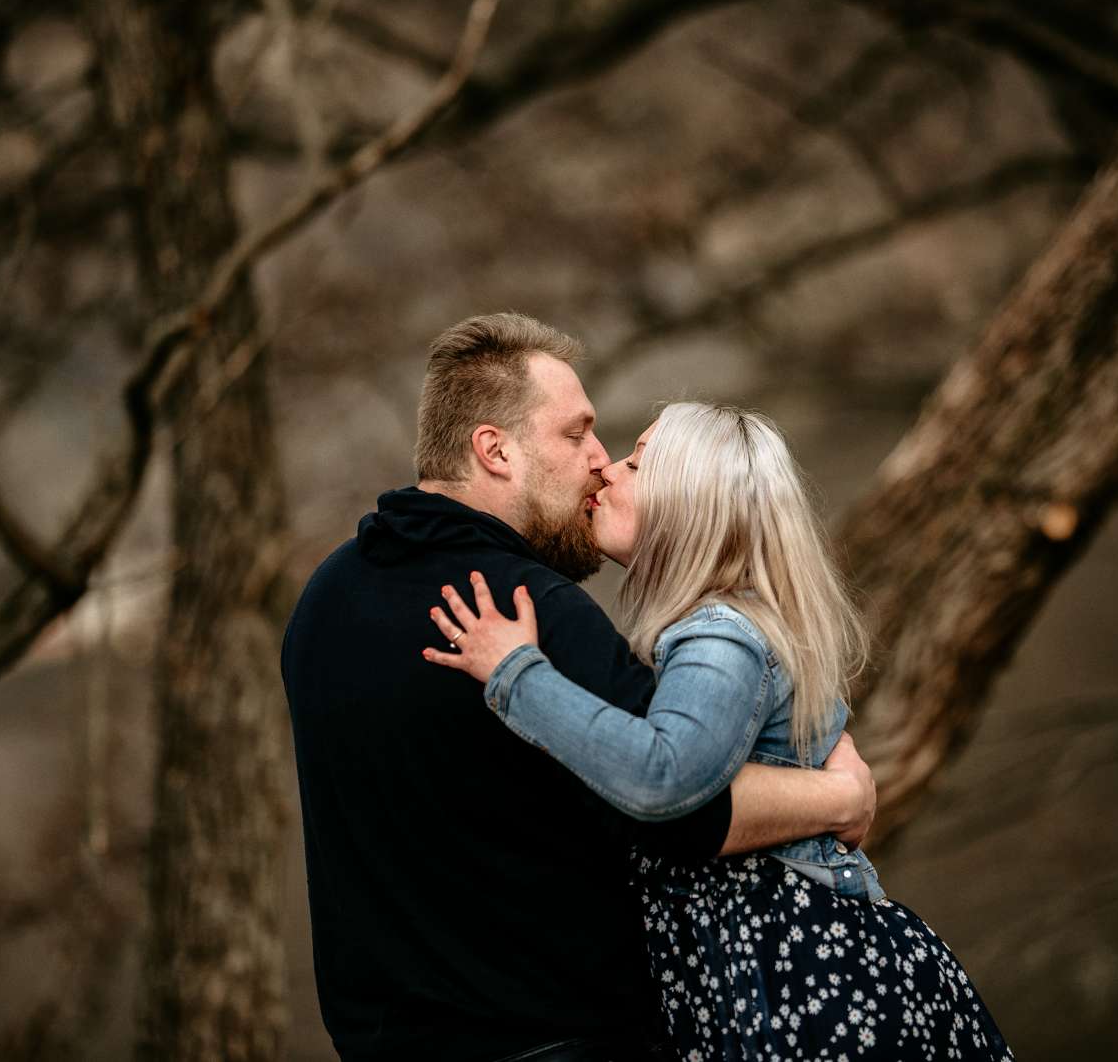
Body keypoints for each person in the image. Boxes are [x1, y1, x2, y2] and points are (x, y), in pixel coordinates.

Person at [282, 315, 878, 1062]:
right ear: (496, 451)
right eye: (576, 434)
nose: (599, 460)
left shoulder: (326, 600)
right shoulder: (527, 610)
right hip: (559, 1040)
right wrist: (839, 798)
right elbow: (683, 806)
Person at [422, 402, 1016, 1061]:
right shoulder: (715, 629)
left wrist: (516, 674)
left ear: (689, 504)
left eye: (637, 463)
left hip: (807, 984)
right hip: (772, 981)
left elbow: (663, 776)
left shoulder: (720, 636)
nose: (607, 469)